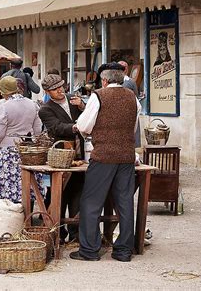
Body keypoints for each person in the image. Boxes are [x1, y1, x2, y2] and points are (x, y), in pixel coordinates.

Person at [70, 62, 141, 262]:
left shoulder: (98, 96)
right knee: (125, 203)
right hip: (126, 156)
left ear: (104, 80)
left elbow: (83, 125)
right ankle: (124, 251)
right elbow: (132, 127)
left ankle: (89, 250)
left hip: (103, 156)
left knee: (91, 202)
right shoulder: (132, 98)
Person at [39, 74, 85, 243]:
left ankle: (76, 233)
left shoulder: (72, 98)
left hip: (79, 152)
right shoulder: (45, 109)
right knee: (59, 193)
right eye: (55, 89)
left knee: (78, 193)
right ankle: (57, 233)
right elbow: (56, 128)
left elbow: (89, 113)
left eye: (61, 86)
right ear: (47, 92)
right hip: (60, 154)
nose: (60, 90)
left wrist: (81, 105)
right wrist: (77, 126)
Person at [0, 76, 44, 203]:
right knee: (27, 183)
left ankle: (13, 215)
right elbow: (37, 128)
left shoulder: (5, 107)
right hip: (27, 149)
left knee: (11, 185)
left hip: (8, 151)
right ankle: (27, 213)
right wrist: (36, 142)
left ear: (4, 92)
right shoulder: (32, 104)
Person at [119, 60, 141, 148]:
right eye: (121, 67)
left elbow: (136, 97)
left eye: (125, 68)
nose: (123, 69)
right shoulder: (113, 81)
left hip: (129, 111)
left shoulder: (130, 82)